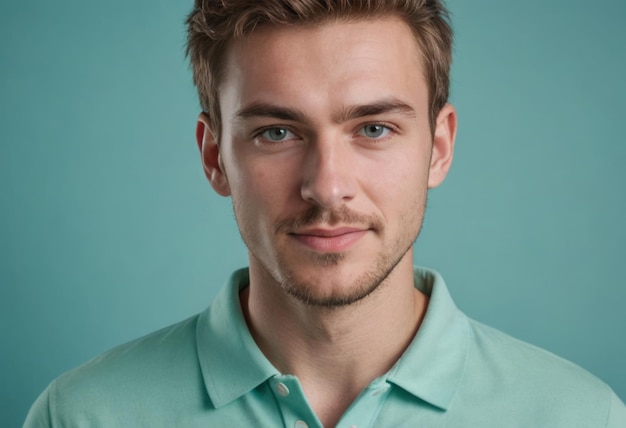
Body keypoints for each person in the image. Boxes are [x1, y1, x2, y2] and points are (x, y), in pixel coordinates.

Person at [24, 0, 626, 426]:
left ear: (438, 147)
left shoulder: (580, 417)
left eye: (374, 127)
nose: (328, 187)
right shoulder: (82, 416)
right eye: (278, 131)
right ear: (214, 158)